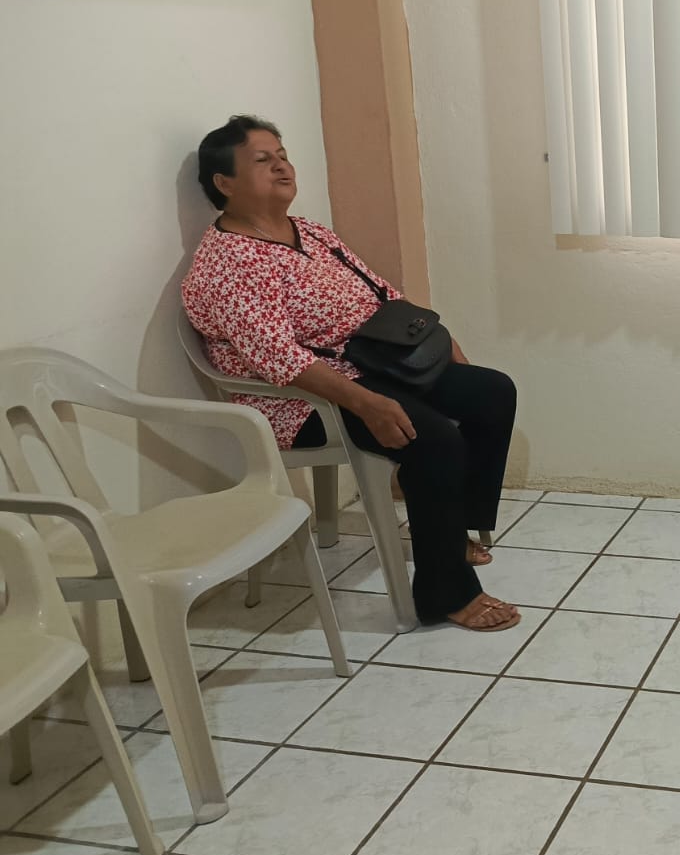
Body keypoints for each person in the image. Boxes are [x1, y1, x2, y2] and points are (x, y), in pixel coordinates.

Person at [181, 115, 522, 632]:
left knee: (491, 392)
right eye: (263, 160)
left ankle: (451, 526)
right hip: (302, 400)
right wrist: (367, 403)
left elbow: (382, 294)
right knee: (432, 438)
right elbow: (279, 358)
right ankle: (445, 592)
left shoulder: (310, 232)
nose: (282, 167)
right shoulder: (229, 261)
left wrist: (442, 341)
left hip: (373, 363)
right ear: (224, 182)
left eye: (282, 155)